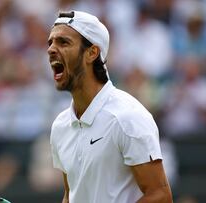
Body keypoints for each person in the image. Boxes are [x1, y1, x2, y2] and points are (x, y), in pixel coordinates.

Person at [48, 11, 173, 203]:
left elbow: (160, 196)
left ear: (92, 53)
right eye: (51, 43)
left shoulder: (128, 117)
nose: (51, 49)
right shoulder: (60, 126)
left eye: (63, 42)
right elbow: (71, 195)